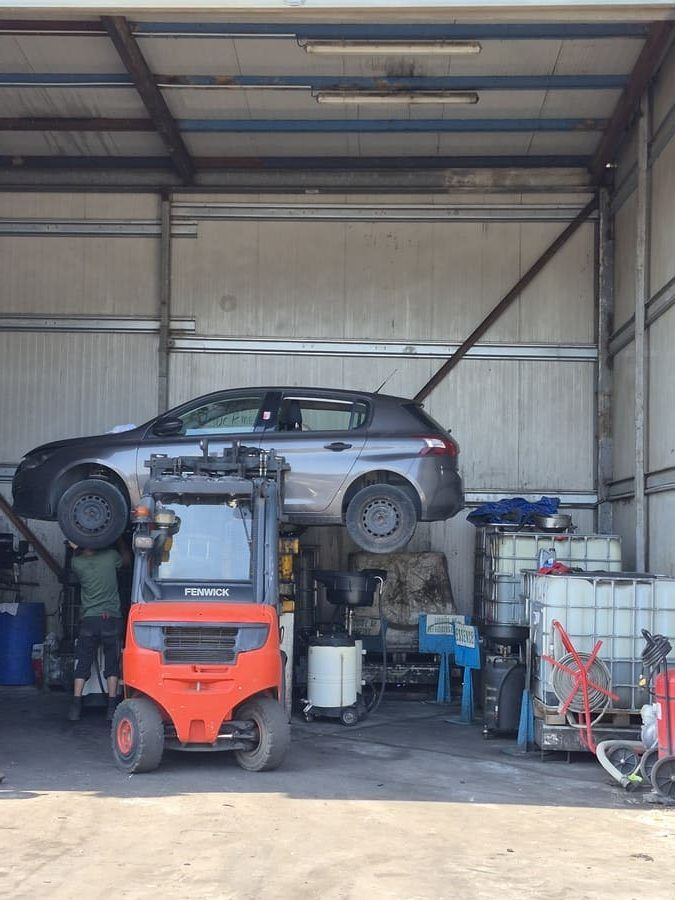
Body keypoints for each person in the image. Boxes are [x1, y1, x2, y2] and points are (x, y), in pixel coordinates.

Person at [67, 538, 130, 722]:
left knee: (83, 663)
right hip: (111, 618)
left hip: (89, 620)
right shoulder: (111, 557)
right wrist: (120, 541)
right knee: (112, 665)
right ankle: (111, 707)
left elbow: (76, 555)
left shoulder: (76, 563)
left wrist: (75, 547)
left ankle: (75, 706)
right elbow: (127, 561)